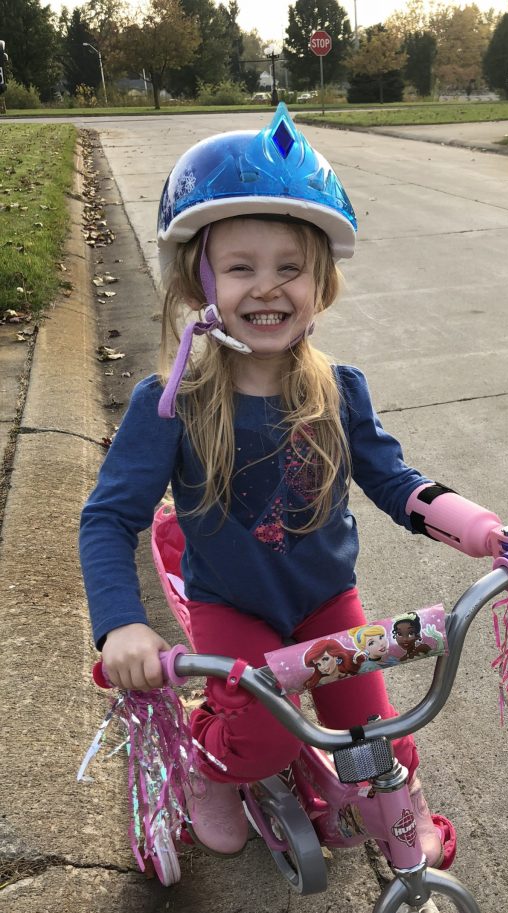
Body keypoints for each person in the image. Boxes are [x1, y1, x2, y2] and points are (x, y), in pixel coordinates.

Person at [80, 105, 471, 867]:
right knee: (257, 739)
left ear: (319, 281)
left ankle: (387, 799)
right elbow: (106, 520)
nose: (268, 287)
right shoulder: (171, 402)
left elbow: (397, 483)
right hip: (235, 610)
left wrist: (488, 531)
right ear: (202, 281)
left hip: (328, 603)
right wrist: (121, 625)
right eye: (241, 267)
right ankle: (208, 764)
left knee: (377, 737)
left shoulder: (339, 389)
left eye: (290, 266)